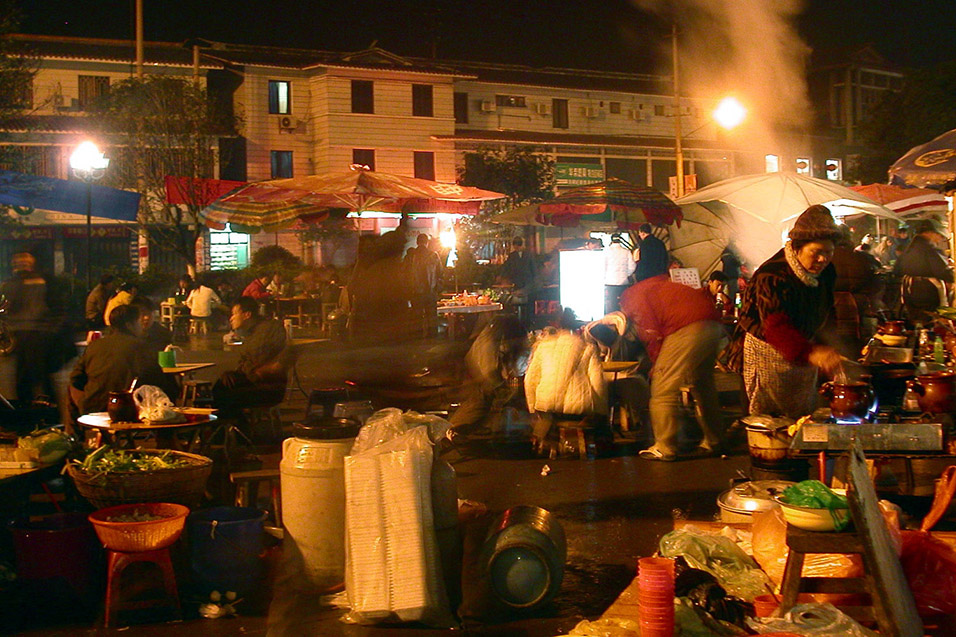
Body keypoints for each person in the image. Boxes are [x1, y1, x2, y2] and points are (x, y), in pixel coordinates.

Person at [724, 204, 844, 419]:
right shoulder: (772, 275)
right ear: (797, 248)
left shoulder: (827, 272)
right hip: (764, 353)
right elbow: (776, 327)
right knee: (766, 423)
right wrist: (812, 353)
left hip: (801, 352)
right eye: (816, 252)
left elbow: (827, 311)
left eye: (829, 253)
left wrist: (830, 346)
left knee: (801, 419)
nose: (823, 259)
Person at [620, 251, 725, 462]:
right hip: (714, 325)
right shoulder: (666, 284)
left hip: (687, 328)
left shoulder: (634, 294)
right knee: (702, 384)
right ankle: (714, 440)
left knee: (663, 388)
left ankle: (665, 446)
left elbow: (650, 332)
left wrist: (657, 363)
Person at [69, 304, 176, 415]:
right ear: (130, 325)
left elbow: (76, 379)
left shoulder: (94, 345)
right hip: (127, 409)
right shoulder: (142, 347)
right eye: (138, 322)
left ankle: (74, 431)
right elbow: (160, 381)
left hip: (93, 407)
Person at [524, 310, 607, 451]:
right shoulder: (588, 348)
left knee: (546, 416)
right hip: (578, 409)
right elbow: (597, 382)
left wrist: (533, 407)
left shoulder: (542, 347)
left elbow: (530, 379)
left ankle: (545, 444)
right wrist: (601, 410)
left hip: (546, 406)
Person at [0, 252, 68, 408]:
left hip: (28, 330)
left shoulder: (18, 282)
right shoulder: (41, 279)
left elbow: (12, 302)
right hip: (39, 331)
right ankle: (47, 404)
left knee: (28, 372)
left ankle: (31, 406)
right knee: (38, 370)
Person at [449, 314, 528, 433]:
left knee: (477, 408)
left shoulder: (489, 338)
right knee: (478, 408)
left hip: (483, 383)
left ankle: (454, 430)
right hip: (485, 385)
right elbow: (492, 370)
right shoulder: (496, 341)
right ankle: (454, 430)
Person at [582, 311, 651, 444]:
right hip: (626, 374)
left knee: (602, 386)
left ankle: (602, 424)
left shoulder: (627, 338)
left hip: (628, 375)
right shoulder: (621, 335)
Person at [212, 296, 289, 413]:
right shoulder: (253, 332)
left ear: (247, 315)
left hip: (265, 388)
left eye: (234, 314)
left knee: (223, 392)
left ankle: (235, 426)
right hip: (258, 384)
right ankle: (230, 425)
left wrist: (238, 375)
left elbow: (258, 363)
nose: (231, 319)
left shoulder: (266, 331)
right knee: (222, 384)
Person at [895, 218, 953, 322]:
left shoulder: (908, 248)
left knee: (915, 319)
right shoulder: (930, 249)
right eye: (939, 235)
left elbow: (897, 270)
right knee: (931, 320)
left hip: (908, 289)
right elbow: (944, 273)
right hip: (927, 290)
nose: (940, 238)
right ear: (930, 233)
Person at [405, 233, 443, 337]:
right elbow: (440, 273)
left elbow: (404, 273)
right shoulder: (434, 255)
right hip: (430, 291)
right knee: (431, 316)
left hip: (415, 291)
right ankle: (432, 336)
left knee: (417, 315)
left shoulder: (410, 256)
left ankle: (417, 336)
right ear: (427, 243)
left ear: (417, 242)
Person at [604, 233, 636, 313]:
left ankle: (613, 321)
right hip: (623, 282)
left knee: (612, 304)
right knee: (623, 303)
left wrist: (605, 276)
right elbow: (632, 266)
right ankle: (623, 320)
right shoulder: (626, 252)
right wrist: (626, 274)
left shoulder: (606, 252)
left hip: (610, 282)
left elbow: (603, 267)